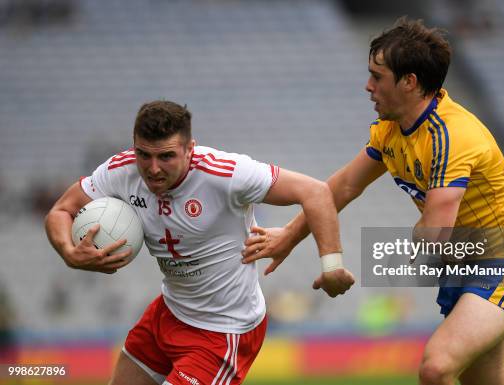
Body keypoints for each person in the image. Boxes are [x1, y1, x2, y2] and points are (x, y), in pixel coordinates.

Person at [241, 18, 504, 385]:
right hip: (464, 265)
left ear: (409, 82)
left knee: (436, 369)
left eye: (378, 76)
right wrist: (289, 238)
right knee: (490, 383)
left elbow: (435, 235)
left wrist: (409, 245)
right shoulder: (392, 128)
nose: (368, 86)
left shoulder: (452, 136)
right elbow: (341, 187)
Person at [44, 100, 355, 385]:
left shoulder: (225, 173)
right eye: (144, 155)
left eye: (166, 156)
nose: (153, 168)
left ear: (189, 149)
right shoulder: (120, 171)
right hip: (168, 313)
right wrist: (70, 253)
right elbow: (61, 210)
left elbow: (315, 192)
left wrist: (332, 265)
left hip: (223, 331)